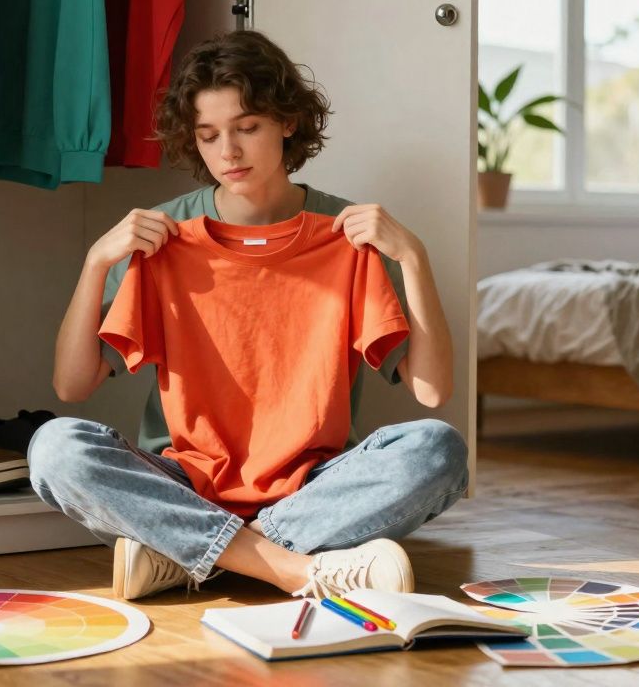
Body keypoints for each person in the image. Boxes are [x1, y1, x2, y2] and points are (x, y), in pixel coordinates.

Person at [29, 30, 467, 601]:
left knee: (440, 449)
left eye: (247, 128)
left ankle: (188, 555)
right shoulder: (164, 236)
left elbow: (432, 392)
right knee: (55, 448)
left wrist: (414, 256)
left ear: (288, 122)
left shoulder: (347, 234)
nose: (227, 152)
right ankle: (287, 566)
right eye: (208, 136)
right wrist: (95, 262)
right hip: (185, 481)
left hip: (315, 486)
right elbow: (72, 384)